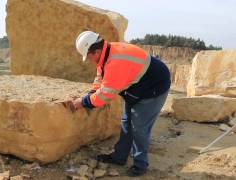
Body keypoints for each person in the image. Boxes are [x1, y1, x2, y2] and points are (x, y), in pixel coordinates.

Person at [71, 31, 171, 177]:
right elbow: (101, 74)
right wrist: (92, 92)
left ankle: (140, 165)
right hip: (139, 84)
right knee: (126, 122)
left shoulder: (116, 62)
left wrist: (84, 102)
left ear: (97, 51)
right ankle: (119, 157)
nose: (89, 60)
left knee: (140, 128)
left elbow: (105, 94)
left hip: (154, 88)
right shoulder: (107, 52)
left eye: (89, 56)